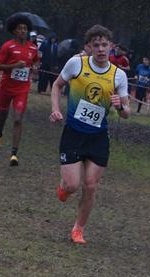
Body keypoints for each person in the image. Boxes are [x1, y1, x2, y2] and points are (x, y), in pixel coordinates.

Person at [49, 24, 130, 245]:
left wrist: (119, 106)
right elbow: (57, 85)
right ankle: (65, 187)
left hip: (98, 137)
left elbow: (126, 113)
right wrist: (55, 109)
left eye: (104, 45)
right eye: (96, 45)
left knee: (91, 185)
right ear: (89, 47)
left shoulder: (119, 75)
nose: (101, 49)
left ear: (111, 46)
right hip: (74, 133)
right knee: (72, 185)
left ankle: (78, 229)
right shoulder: (76, 64)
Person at [0, 13, 39, 166]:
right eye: (19, 28)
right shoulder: (8, 46)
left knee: (18, 119)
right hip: (6, 87)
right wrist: (14, 66)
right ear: (14, 30)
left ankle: (14, 154)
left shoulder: (33, 48)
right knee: (3, 115)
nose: (23, 31)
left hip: (22, 89)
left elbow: (35, 62)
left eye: (25, 28)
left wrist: (35, 68)